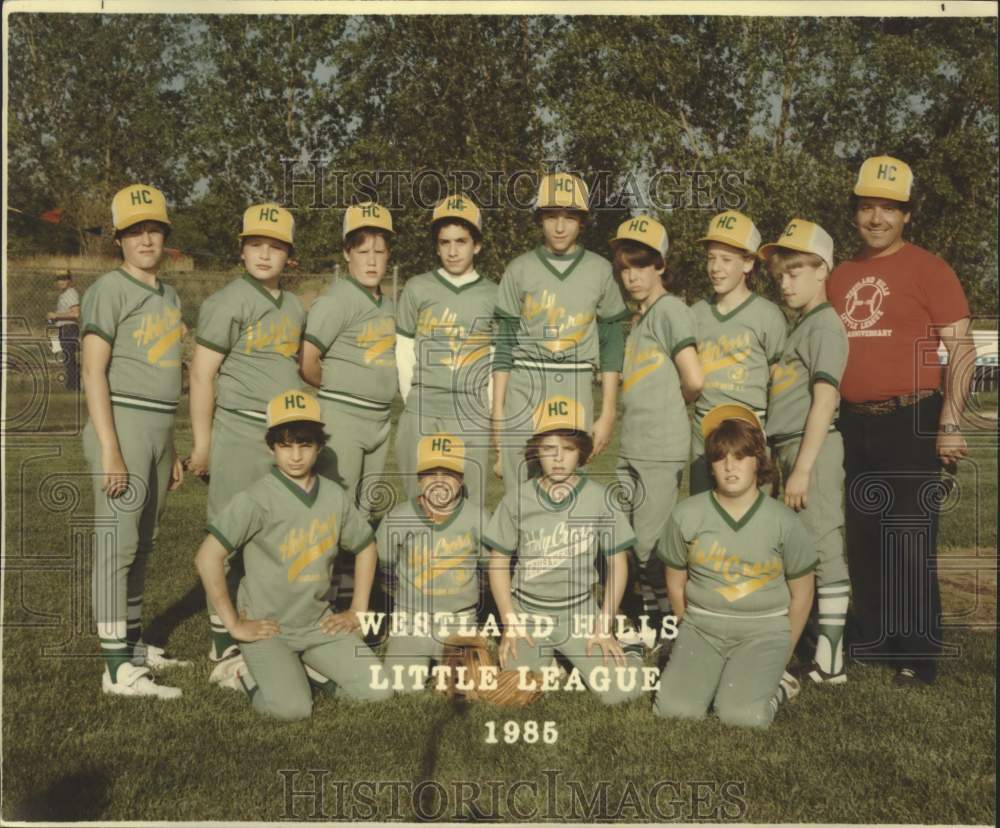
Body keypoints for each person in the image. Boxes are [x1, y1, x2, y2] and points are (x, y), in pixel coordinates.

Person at [829, 155, 973, 688]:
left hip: (912, 416)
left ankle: (917, 654)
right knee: (863, 537)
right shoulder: (839, 277)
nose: (876, 218)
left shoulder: (930, 269)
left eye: (889, 208)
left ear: (907, 215)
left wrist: (951, 423)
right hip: (852, 421)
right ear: (856, 212)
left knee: (909, 537)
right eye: (867, 206)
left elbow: (962, 351)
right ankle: (871, 640)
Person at [194, 390, 392, 720]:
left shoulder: (333, 496)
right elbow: (207, 558)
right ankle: (240, 671)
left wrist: (358, 609)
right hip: (269, 628)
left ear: (319, 446)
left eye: (305, 444)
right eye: (286, 445)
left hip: (317, 624)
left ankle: (306, 669)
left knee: (379, 691)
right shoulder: (256, 499)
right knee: (292, 710)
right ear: (271, 447)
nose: (296, 455)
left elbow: (365, 546)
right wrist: (234, 624)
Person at [186, 203, 306, 669]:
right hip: (237, 428)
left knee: (275, 537)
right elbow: (201, 374)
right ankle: (223, 643)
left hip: (282, 436)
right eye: (255, 244)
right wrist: (202, 443)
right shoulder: (228, 300)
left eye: (275, 247)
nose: (264, 254)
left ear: (288, 256)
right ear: (242, 250)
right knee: (228, 536)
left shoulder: (295, 305)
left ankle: (269, 630)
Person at [80, 183, 186, 699]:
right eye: (135, 231)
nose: (146, 238)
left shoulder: (170, 294)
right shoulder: (108, 289)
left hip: (157, 429)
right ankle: (115, 668)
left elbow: (165, 375)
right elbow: (93, 374)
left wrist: (169, 447)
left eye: (154, 229)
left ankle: (135, 644)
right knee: (116, 546)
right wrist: (111, 448)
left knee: (144, 543)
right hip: (120, 424)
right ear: (119, 238)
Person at [653, 404, 817, 728]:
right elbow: (675, 581)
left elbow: (803, 593)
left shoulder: (783, 521)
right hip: (703, 627)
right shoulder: (686, 515)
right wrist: (688, 627)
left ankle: (779, 684)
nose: (730, 466)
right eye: (720, 457)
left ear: (759, 460)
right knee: (673, 710)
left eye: (740, 456)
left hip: (763, 631)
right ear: (710, 464)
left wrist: (785, 651)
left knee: (742, 717)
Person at [485, 395, 643, 704]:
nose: (558, 458)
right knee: (515, 692)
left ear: (582, 452)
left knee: (621, 692)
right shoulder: (518, 498)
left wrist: (604, 624)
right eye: (548, 449)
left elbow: (618, 563)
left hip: (579, 612)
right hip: (529, 612)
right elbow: (499, 562)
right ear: (536, 451)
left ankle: (630, 646)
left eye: (568, 449)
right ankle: (552, 660)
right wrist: (510, 623)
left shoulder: (599, 498)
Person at [491, 172, 630, 490]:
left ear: (582, 221)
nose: (559, 226)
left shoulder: (599, 270)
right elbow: (504, 346)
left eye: (569, 217)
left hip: (576, 380)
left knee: (569, 485)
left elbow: (611, 344)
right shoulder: (520, 268)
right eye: (551, 215)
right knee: (519, 485)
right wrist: (498, 413)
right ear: (540, 219)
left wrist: (608, 411)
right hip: (525, 382)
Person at [761, 219, 851, 684]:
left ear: (823, 271)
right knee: (799, 550)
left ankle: (831, 662)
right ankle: (813, 644)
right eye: (781, 273)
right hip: (790, 448)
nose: (786, 281)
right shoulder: (803, 326)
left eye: (796, 270)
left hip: (811, 449)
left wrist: (804, 468)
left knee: (822, 545)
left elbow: (824, 400)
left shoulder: (826, 326)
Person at [300, 202, 398, 611]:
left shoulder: (388, 303)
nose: (372, 260)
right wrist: (338, 390)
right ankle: (314, 605)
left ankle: (346, 603)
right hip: (344, 417)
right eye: (362, 250)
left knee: (362, 514)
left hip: (380, 421)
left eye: (379, 250)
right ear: (346, 253)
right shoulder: (337, 299)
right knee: (333, 513)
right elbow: (307, 360)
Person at [610, 215, 703, 636]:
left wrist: (669, 406)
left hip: (658, 446)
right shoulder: (639, 318)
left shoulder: (670, 311)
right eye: (625, 268)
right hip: (632, 444)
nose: (632, 276)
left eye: (641, 266)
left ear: (661, 265)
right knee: (629, 539)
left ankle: (668, 624)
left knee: (651, 543)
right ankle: (649, 615)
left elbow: (694, 379)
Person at [395, 195, 497, 510]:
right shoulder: (417, 287)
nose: (453, 251)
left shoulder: (493, 294)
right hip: (424, 406)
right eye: (445, 242)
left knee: (470, 501)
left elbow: (495, 360)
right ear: (437, 246)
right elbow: (405, 351)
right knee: (420, 498)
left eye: (461, 241)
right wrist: (413, 401)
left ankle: (471, 559)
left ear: (477, 245)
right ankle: (417, 558)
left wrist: (489, 410)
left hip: (470, 409)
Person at [377, 433, 485, 691]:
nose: (439, 482)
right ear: (418, 478)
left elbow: (490, 568)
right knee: (402, 687)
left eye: (448, 474)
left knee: (468, 688)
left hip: (459, 618)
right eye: (430, 474)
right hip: (413, 619)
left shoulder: (478, 518)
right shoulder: (398, 518)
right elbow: (385, 564)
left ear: (461, 478)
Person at [690, 211, 787, 495]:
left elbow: (779, 380)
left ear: (748, 262)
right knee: (705, 519)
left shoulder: (768, 315)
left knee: (754, 522)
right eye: (711, 258)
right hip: (705, 432)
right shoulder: (694, 314)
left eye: (726, 259)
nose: (715, 268)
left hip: (750, 432)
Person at [49, 269, 80, 390]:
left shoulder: (71, 293)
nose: (61, 281)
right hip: (63, 328)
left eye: (64, 278)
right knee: (67, 358)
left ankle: (73, 386)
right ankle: (71, 385)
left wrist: (56, 315)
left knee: (69, 357)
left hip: (69, 328)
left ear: (70, 280)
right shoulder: (64, 294)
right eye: (58, 279)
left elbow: (76, 313)